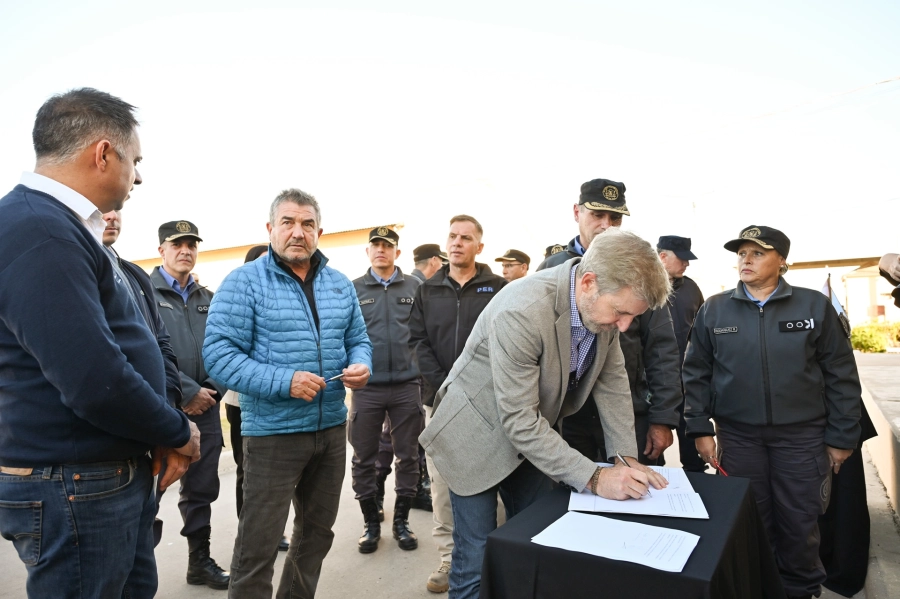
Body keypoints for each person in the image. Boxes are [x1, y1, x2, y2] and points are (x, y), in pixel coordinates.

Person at [0, 87, 199, 599]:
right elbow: (93, 378)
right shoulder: (40, 230)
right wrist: (177, 430)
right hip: (75, 484)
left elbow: (130, 346)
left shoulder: (57, 226)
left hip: (97, 477)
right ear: (103, 153)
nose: (138, 177)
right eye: (135, 161)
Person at [420, 228, 672, 599]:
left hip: (532, 436)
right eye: (621, 313)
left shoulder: (602, 306)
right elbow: (520, 422)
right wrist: (596, 478)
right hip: (475, 437)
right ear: (588, 283)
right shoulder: (522, 310)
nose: (624, 326)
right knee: (477, 559)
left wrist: (625, 459)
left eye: (632, 317)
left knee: (536, 540)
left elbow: (613, 383)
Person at [203, 188, 372, 599]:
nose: (298, 232)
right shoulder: (243, 282)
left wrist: (361, 364)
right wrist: (285, 381)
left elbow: (358, 339)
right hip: (272, 435)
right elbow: (219, 356)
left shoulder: (338, 284)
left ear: (319, 232)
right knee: (258, 546)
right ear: (270, 228)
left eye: (307, 224)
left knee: (316, 536)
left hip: (330, 431)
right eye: (288, 222)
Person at [683, 225, 862, 599]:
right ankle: (756, 587)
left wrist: (843, 436)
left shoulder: (814, 307)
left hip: (802, 437)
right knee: (749, 518)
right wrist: (700, 428)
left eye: (758, 253)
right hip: (739, 437)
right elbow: (696, 372)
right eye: (741, 253)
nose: (746, 260)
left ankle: (799, 589)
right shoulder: (715, 309)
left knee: (799, 519)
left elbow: (841, 375)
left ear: (782, 261)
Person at [538, 179, 681, 467]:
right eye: (598, 215)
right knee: (573, 488)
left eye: (615, 218)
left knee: (636, 485)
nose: (606, 225)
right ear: (577, 212)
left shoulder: (642, 268)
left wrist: (663, 418)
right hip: (568, 416)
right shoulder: (552, 268)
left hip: (627, 412)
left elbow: (662, 350)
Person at [408, 214, 507, 593]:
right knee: (443, 483)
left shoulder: (498, 289)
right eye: (452, 236)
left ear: (479, 246)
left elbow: (507, 343)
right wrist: (445, 387)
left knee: (491, 479)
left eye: (466, 238)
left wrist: (478, 389)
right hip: (441, 403)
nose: (457, 243)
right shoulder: (427, 290)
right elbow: (417, 342)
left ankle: (492, 558)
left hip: (489, 405)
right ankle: (450, 558)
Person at [151, 220, 230, 590]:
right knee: (148, 490)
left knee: (201, 489)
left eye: (191, 244)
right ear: (161, 250)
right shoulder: (143, 293)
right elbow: (144, 350)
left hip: (207, 408)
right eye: (176, 244)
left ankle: (199, 561)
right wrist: (186, 392)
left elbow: (227, 347)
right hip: (161, 407)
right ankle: (134, 567)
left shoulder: (210, 299)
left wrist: (211, 390)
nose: (185, 250)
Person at [102, 209, 186, 545]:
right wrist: (170, 426)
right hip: (103, 454)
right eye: (101, 208)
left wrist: (169, 412)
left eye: (117, 208)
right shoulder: (71, 269)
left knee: (142, 545)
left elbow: (162, 345)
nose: (111, 215)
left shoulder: (133, 275)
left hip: (149, 436)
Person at [350, 227, 424, 554]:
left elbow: (424, 333)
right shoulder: (353, 289)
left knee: (408, 456)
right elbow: (343, 335)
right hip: (367, 387)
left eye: (387, 245)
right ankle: (370, 523)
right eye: (375, 245)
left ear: (397, 252)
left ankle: (401, 522)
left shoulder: (415, 287)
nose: (381, 250)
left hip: (407, 385)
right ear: (368, 251)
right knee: (364, 457)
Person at [220, 245, 293, 551]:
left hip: (281, 400)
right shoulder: (238, 299)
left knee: (281, 469)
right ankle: (250, 533)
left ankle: (274, 530)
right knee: (248, 469)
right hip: (243, 402)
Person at [372, 242, 447, 517]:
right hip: (403, 377)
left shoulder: (414, 285)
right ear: (435, 261)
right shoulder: (417, 287)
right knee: (395, 438)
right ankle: (381, 495)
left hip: (410, 375)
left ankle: (408, 492)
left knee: (406, 439)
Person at [657, 235, 706, 472]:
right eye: (682, 259)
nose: (686, 264)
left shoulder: (692, 289)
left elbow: (702, 335)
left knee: (694, 455)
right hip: (653, 387)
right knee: (652, 453)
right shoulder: (641, 286)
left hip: (687, 385)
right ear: (662, 257)